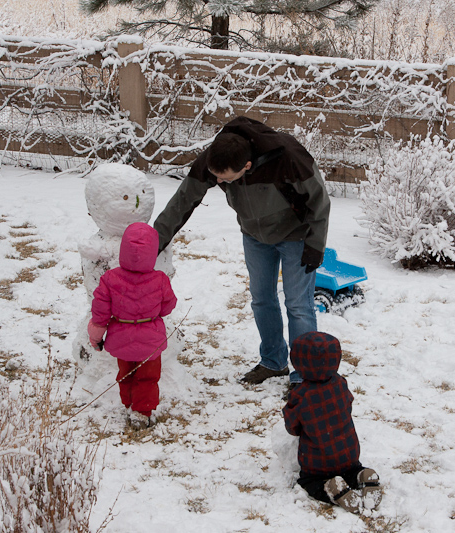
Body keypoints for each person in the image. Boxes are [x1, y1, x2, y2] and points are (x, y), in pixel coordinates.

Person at [153, 116, 330, 385]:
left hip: (296, 235)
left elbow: (319, 201)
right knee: (261, 299)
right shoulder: (218, 157)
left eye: (225, 180)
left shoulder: (289, 157)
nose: (219, 182)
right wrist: (154, 241)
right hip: (254, 235)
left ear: (247, 166)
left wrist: (316, 245)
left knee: (298, 305)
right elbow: (184, 199)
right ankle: (273, 361)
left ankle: (304, 376)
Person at [87, 222, 177, 429]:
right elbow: (168, 305)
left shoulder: (110, 279)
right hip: (150, 339)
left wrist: (96, 337)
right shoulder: (160, 280)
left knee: (125, 374)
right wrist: (153, 314)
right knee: (148, 377)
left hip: (121, 336)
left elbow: (100, 313)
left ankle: (129, 404)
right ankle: (141, 412)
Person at [283, 331, 382, 514]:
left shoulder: (300, 395)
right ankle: (362, 475)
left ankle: (331, 488)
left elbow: (292, 427)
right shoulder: (340, 383)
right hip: (348, 454)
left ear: (298, 362)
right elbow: (348, 406)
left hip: (317, 462)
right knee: (351, 471)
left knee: (309, 482)